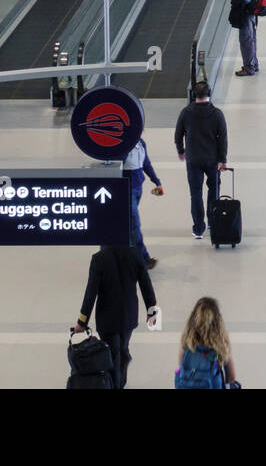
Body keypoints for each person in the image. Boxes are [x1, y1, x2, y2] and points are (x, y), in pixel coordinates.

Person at [74, 245, 159, 390]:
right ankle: (121, 376)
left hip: (107, 318)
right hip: (129, 315)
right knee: (123, 347)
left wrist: (82, 321)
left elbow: (91, 293)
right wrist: (152, 311)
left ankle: (115, 384)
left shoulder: (98, 259)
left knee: (112, 353)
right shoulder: (135, 254)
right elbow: (146, 285)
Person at [174, 80, 229, 239]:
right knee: (214, 191)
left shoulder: (185, 112)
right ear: (209, 94)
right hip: (212, 160)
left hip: (193, 160)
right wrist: (222, 159)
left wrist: (181, 151)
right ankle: (212, 222)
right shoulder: (217, 114)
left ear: (193, 95)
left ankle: (198, 229)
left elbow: (178, 134)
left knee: (195, 194)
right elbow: (223, 139)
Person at [177, 297, 239, 389]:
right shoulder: (220, 344)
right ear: (217, 323)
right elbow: (231, 376)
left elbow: (180, 369)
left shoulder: (187, 341)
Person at [123, 139, 162, 269]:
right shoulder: (122, 143)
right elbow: (117, 161)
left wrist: (157, 181)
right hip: (126, 188)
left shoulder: (141, 143)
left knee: (128, 223)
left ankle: (126, 255)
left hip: (138, 187)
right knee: (134, 223)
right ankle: (143, 258)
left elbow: (146, 163)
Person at [225, 0, 259, 77]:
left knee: (246, 41)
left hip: (246, 16)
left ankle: (249, 68)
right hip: (249, 15)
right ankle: (254, 65)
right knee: (250, 40)